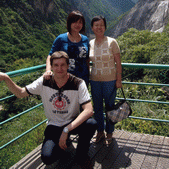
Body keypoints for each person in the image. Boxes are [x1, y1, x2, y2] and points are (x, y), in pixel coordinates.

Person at [0, 51, 97, 167]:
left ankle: (81, 155)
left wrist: (66, 130)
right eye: (56, 65)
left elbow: (89, 110)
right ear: (51, 66)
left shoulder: (78, 83)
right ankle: (63, 147)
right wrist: (6, 78)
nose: (59, 68)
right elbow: (20, 93)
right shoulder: (44, 82)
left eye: (62, 65)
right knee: (47, 157)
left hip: (71, 123)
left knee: (91, 123)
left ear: (68, 66)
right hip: (54, 125)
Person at [89, 16, 122, 145]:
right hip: (95, 80)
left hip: (110, 80)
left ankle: (109, 132)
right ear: (92, 28)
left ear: (105, 27)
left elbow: (118, 63)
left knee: (110, 107)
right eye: (96, 25)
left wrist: (118, 79)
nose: (99, 27)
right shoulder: (90, 43)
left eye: (101, 25)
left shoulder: (112, 42)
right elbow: (87, 62)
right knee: (97, 108)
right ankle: (100, 132)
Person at [44, 11, 89, 86]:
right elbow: (50, 55)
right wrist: (48, 70)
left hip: (83, 78)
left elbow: (87, 59)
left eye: (80, 22)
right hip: (65, 78)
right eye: (75, 22)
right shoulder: (61, 39)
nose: (77, 25)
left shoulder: (85, 39)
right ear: (69, 23)